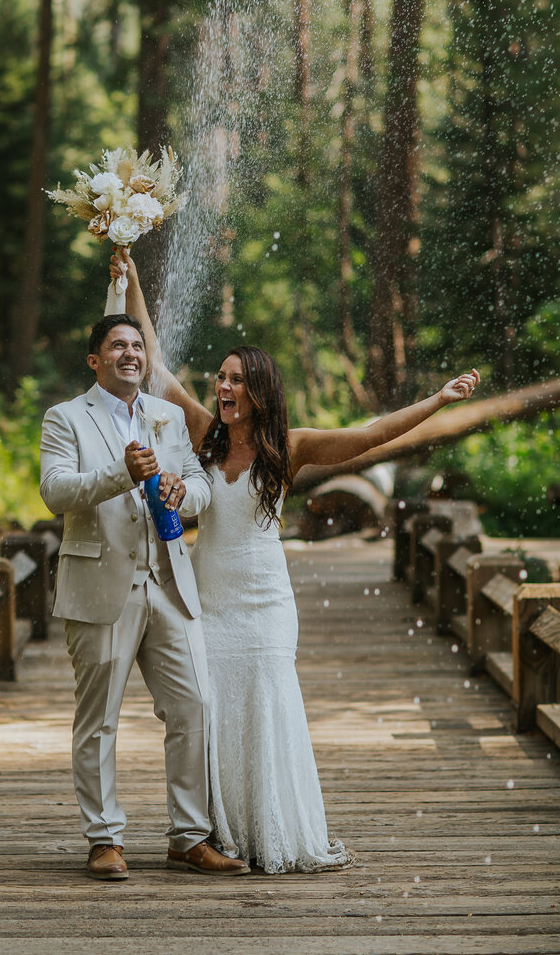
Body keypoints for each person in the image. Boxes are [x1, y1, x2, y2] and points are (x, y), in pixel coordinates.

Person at [111, 249, 480, 874]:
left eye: (234, 380)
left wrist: (439, 400)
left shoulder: (292, 445)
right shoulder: (203, 433)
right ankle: (216, 834)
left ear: (258, 390)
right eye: (220, 379)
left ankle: (271, 829)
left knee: (266, 707)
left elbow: (372, 435)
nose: (222, 389)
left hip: (266, 604)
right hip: (212, 601)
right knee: (213, 710)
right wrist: (132, 279)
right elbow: (156, 365)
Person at [39, 313, 251, 879]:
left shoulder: (167, 415)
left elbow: (201, 484)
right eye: (117, 346)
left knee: (195, 707)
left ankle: (188, 837)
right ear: (95, 360)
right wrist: (120, 473)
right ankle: (105, 839)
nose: (131, 353)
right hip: (100, 588)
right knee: (99, 720)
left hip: (169, 585)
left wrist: (185, 494)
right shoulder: (65, 418)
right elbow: (55, 492)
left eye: (137, 345)